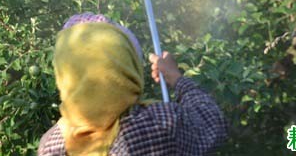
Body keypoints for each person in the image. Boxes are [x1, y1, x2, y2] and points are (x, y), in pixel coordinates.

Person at [38, 12, 227, 156]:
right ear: (127, 67)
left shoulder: (50, 145)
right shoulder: (160, 123)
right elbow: (212, 124)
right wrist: (176, 77)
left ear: (64, 74)